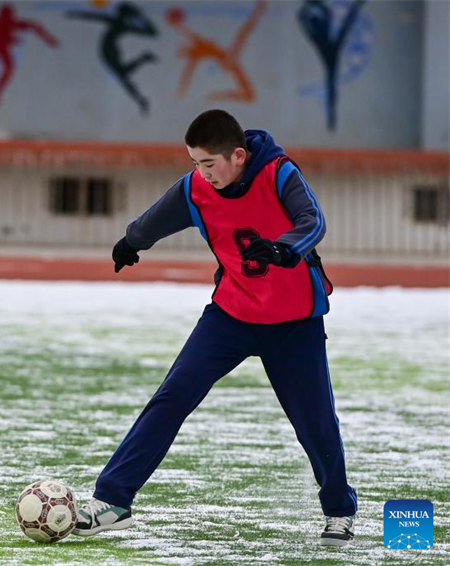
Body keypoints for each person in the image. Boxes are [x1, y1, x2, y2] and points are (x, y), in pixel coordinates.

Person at [73, 109, 357, 546]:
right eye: (194, 163)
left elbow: (313, 222)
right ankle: (113, 500)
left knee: (315, 422)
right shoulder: (195, 189)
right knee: (171, 397)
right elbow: (156, 217)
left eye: (208, 164)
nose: (201, 174)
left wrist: (283, 250)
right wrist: (131, 242)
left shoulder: (279, 174)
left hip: (294, 322)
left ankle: (339, 511)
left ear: (238, 155)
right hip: (231, 316)